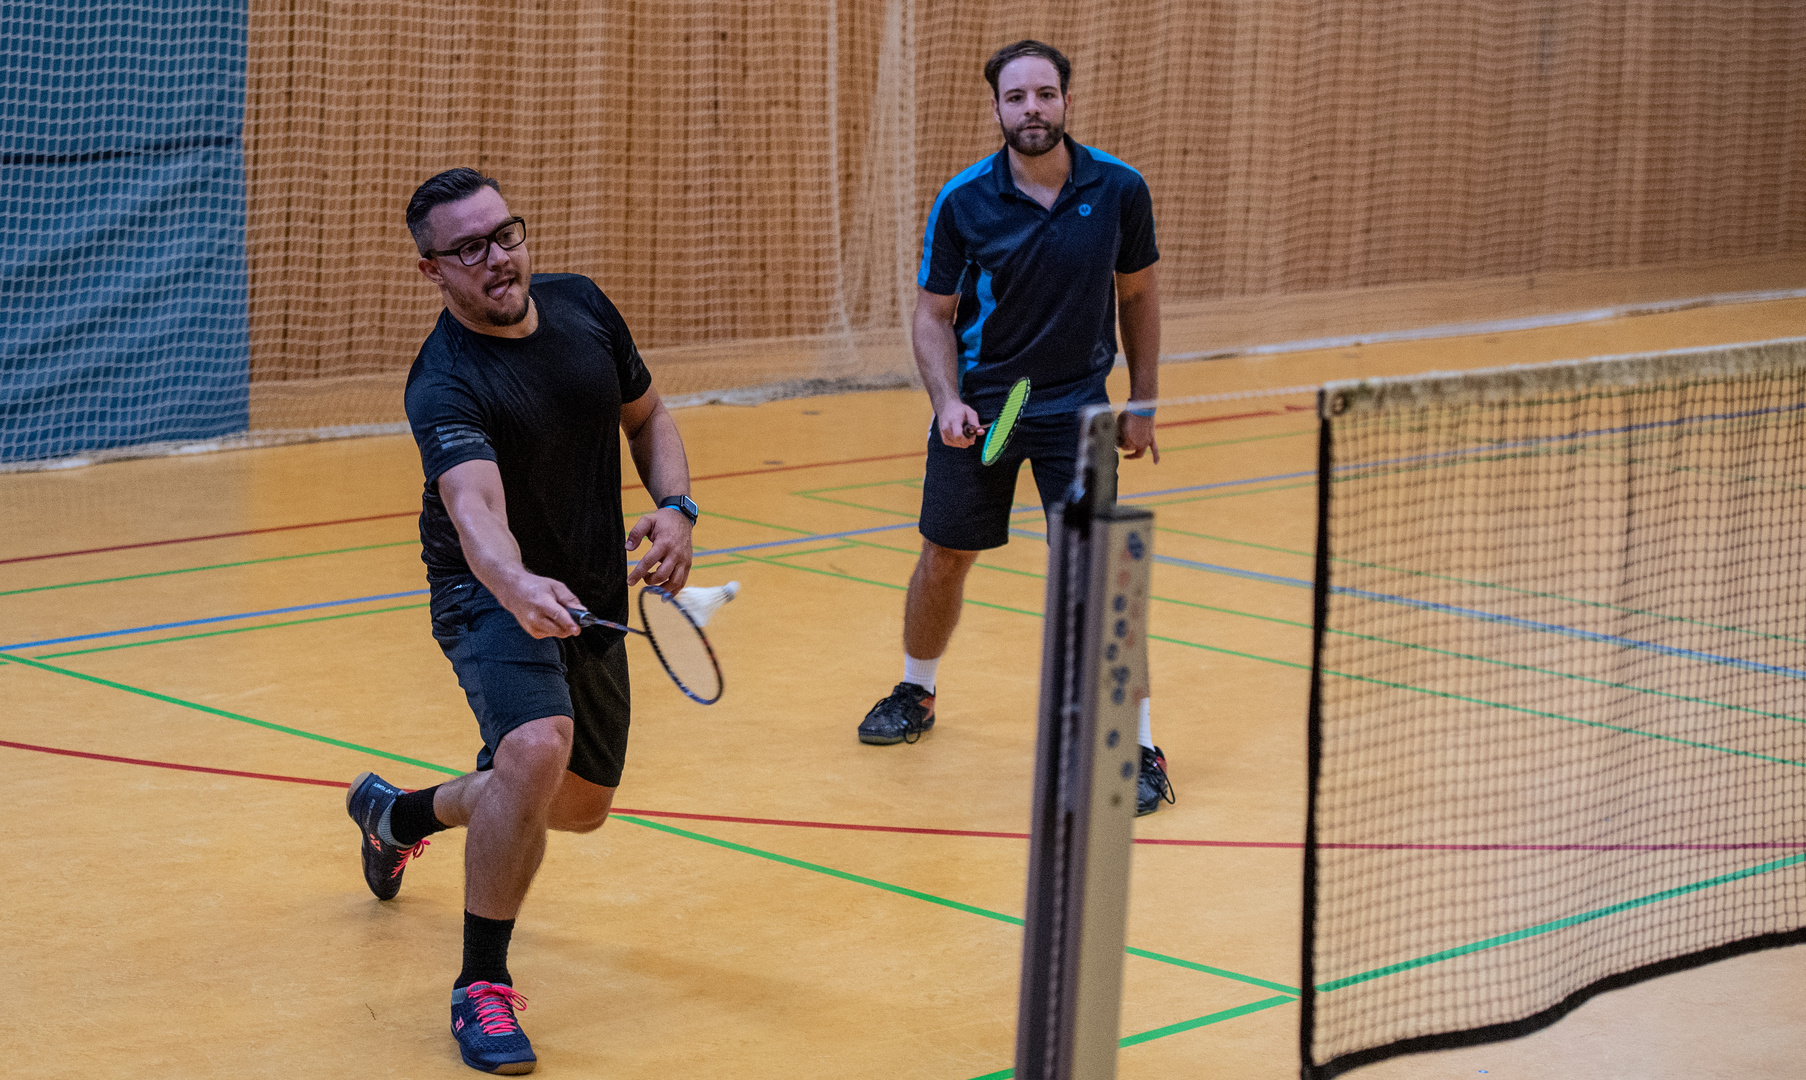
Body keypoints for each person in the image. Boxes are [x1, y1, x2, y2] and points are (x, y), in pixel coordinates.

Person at [345, 167, 699, 1075]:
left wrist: (677, 506)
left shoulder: (581, 307)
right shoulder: (445, 382)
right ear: (433, 271)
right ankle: (482, 989)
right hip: (485, 591)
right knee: (537, 749)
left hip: (590, 590)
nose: (499, 259)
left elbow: (649, 415)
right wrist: (513, 585)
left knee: (574, 808)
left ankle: (398, 814)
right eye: (470, 248)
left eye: (506, 233)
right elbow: (476, 516)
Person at [857, 39, 1175, 816]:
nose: (1031, 109)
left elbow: (1138, 297)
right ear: (996, 107)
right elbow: (933, 317)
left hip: (1078, 411)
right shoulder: (964, 200)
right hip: (985, 416)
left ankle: (1138, 744)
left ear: (1066, 100)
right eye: (1016, 97)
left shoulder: (1119, 189)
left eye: (1044, 94)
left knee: (1100, 578)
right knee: (944, 559)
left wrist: (1144, 401)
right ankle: (917, 689)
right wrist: (945, 402)